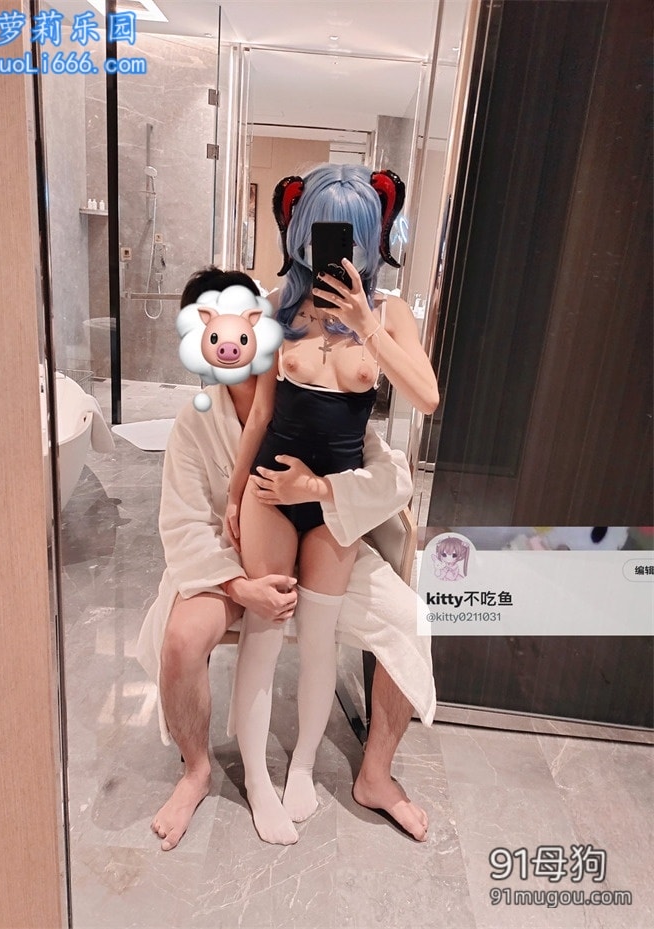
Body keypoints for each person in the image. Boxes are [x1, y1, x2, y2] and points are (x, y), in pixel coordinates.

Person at [136, 266, 438, 851]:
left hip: (327, 542)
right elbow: (181, 525)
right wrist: (236, 586)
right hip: (227, 562)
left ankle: (374, 775)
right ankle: (197, 771)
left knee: (410, 620)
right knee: (180, 638)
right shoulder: (196, 422)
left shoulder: (314, 395)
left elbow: (391, 478)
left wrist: (323, 490)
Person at [225, 165, 440, 844]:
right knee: (265, 634)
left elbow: (428, 397)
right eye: (324, 233)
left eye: (350, 235)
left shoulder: (390, 314)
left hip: (336, 504)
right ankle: (256, 778)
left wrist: (366, 324)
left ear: (372, 238)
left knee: (318, 640)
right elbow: (262, 412)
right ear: (301, 231)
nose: (336, 251)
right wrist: (233, 493)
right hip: (270, 490)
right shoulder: (276, 309)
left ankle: (302, 766)